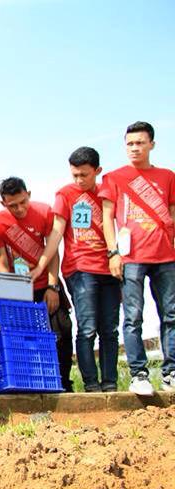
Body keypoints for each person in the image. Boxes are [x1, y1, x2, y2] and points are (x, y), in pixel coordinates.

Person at [34, 147, 119, 392]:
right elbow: (56, 232)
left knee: (110, 328)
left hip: (109, 269)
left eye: (84, 175)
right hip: (80, 268)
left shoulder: (106, 192)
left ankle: (110, 382)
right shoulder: (65, 195)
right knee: (88, 327)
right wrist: (41, 265)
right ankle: (91, 384)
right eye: (75, 175)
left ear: (97, 171)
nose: (79, 180)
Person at [99, 121, 175, 395]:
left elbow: (171, 213)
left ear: (151, 144)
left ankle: (171, 372)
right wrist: (112, 252)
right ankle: (138, 373)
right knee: (132, 317)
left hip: (165, 256)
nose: (134, 148)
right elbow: (107, 217)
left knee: (171, 314)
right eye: (130, 143)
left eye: (140, 143)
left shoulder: (167, 176)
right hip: (131, 257)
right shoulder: (115, 178)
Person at [0, 177, 74, 392]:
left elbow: (52, 251)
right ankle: (31, 385)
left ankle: (64, 382)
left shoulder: (44, 212)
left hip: (46, 282)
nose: (19, 209)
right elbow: (1, 263)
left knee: (62, 330)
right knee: (25, 338)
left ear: (29, 194)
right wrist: (13, 296)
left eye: (23, 202)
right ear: (3, 203)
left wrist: (53, 287)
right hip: (20, 288)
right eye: (12, 205)